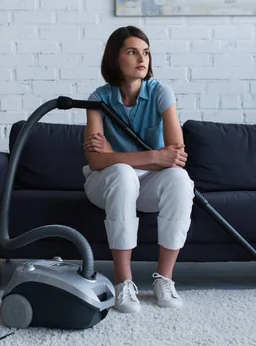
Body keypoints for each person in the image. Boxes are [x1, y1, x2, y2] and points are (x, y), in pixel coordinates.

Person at [81, 26, 195, 314]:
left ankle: (164, 279)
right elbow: (96, 163)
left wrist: (115, 155)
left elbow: (177, 155)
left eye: (145, 52)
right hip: (105, 184)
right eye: (132, 52)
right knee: (120, 173)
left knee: (180, 179)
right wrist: (155, 156)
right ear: (114, 58)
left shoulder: (160, 92)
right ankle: (123, 281)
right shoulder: (98, 99)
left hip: (148, 185)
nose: (141, 59)